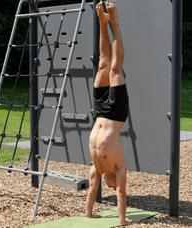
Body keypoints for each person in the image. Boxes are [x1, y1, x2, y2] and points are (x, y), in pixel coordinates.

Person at [85, 0, 134, 225]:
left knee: (104, 65)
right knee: (116, 66)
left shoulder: (97, 169)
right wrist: (122, 222)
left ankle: (102, 23)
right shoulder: (120, 167)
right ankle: (115, 21)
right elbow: (122, 194)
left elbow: (91, 190)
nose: (111, 187)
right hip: (115, 113)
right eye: (112, 187)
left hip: (100, 112)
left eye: (110, 186)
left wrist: (88, 214)